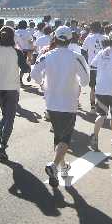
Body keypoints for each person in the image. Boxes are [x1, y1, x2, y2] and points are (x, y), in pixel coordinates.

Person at [30, 26, 89, 187]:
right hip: (69, 102)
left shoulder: (46, 55)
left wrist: (43, 83)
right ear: (71, 39)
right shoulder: (76, 57)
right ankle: (54, 165)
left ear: (54, 38)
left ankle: (61, 169)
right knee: (65, 139)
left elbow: (33, 74)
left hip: (51, 102)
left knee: (58, 137)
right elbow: (85, 81)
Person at [0, 27, 30, 160]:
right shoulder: (17, 52)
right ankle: (2, 145)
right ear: (12, 38)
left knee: (5, 116)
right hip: (12, 87)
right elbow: (25, 68)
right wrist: (28, 65)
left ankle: (1, 139)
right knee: (10, 118)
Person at [89, 31, 112, 151]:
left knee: (101, 114)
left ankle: (95, 136)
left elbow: (93, 66)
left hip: (100, 88)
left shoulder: (101, 52)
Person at [81, 22, 108, 114]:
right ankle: (100, 105)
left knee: (92, 88)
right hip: (104, 67)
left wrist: (87, 60)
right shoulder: (105, 38)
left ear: (91, 29)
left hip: (92, 67)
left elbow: (83, 51)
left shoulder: (88, 38)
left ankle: (92, 107)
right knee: (102, 87)